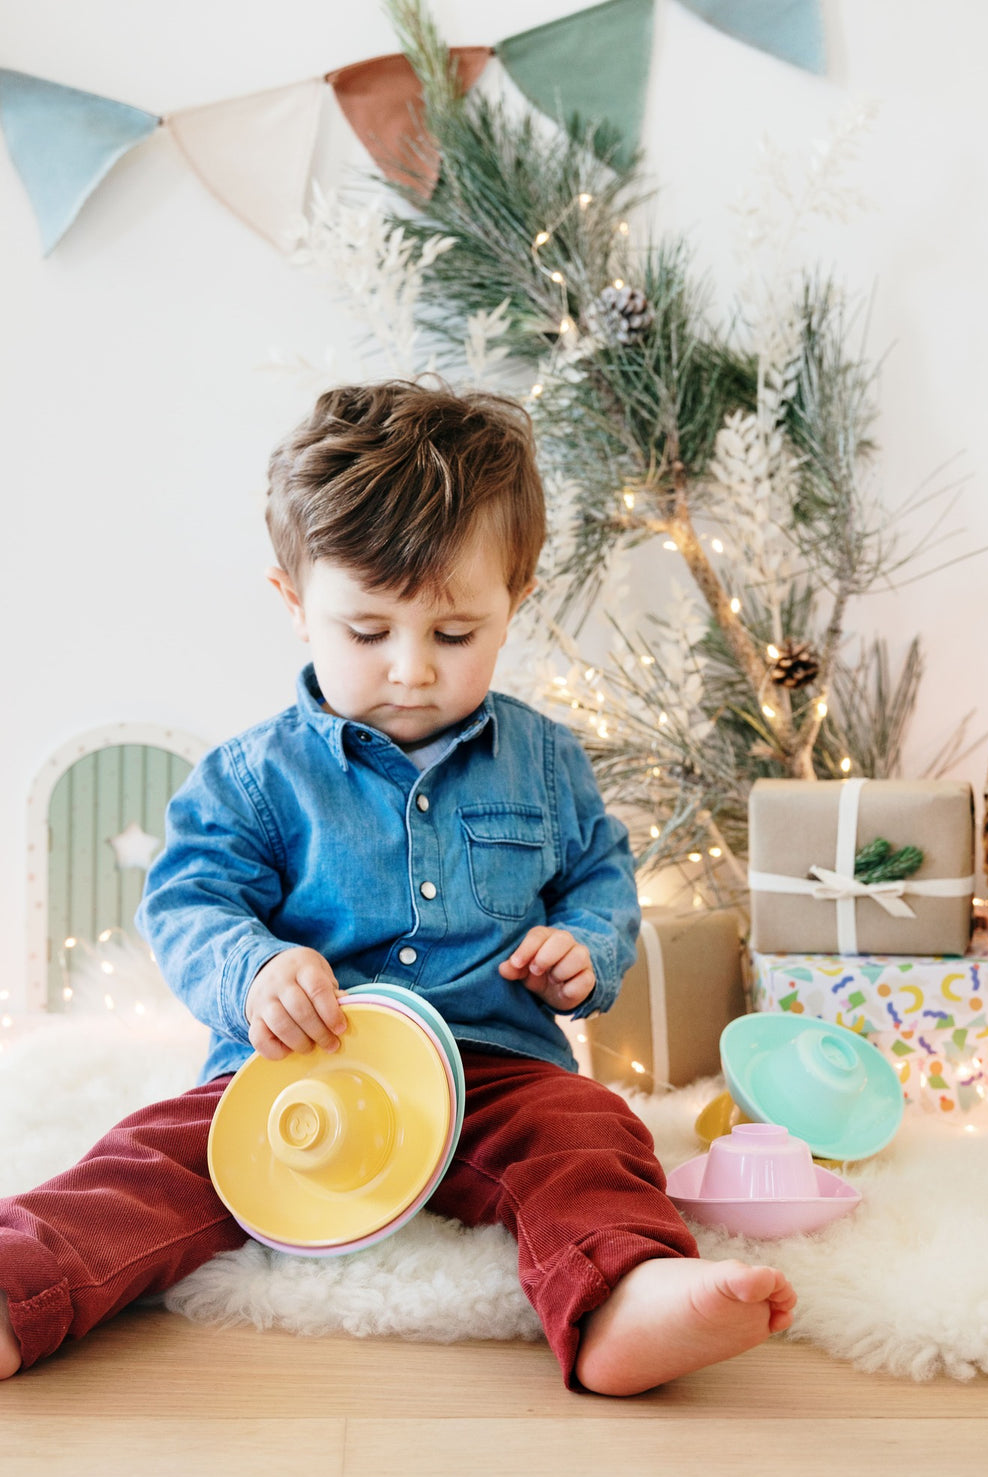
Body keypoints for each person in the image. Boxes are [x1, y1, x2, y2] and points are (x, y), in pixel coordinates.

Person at [0, 381, 795, 1394]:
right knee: (147, 1164)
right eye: (368, 633)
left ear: (516, 598)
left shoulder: (544, 763)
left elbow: (598, 874)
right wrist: (253, 969)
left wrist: (582, 949)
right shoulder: (256, 776)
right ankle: (15, 1288)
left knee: (591, 1136)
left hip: (494, 1071)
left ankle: (623, 1295)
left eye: (453, 634)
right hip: (293, 1076)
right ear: (296, 604)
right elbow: (189, 902)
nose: (412, 669)